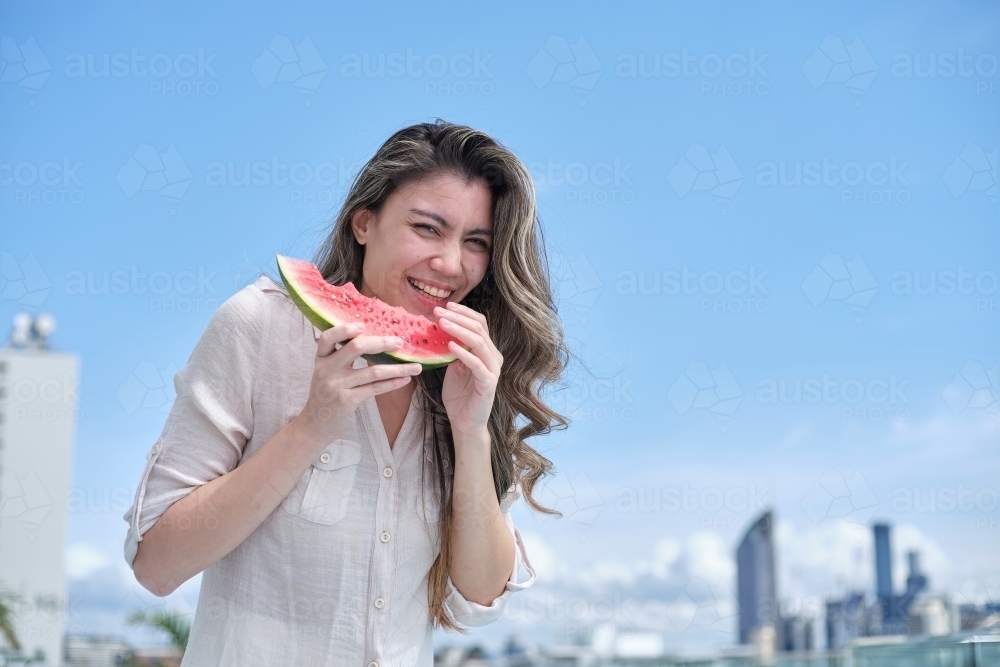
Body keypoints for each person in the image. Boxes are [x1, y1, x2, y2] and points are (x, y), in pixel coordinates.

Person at [122, 121, 568, 666]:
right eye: (427, 228)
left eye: (476, 243)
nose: (451, 264)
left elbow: (479, 595)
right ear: (364, 222)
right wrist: (313, 425)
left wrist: (472, 430)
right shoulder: (259, 326)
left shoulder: (467, 371)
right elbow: (156, 564)